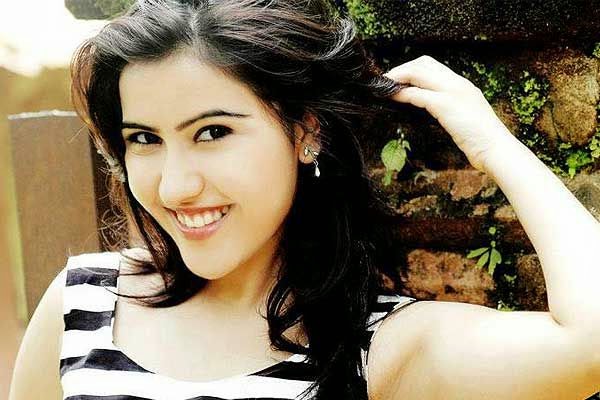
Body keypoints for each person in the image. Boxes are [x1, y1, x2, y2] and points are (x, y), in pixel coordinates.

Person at [9, 0, 600, 399]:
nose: (173, 186)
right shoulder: (84, 303)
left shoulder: (380, 349)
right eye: (145, 139)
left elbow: (590, 344)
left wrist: (493, 144)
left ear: (305, 132)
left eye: (212, 132)